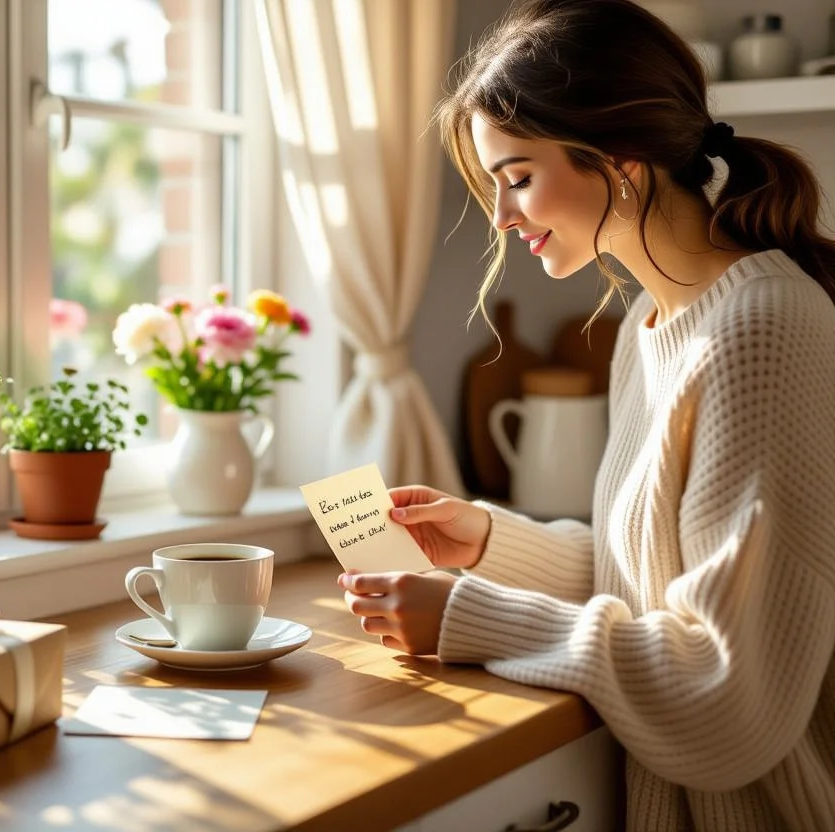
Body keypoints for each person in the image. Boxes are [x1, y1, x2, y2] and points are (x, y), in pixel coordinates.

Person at [337, 1, 835, 830]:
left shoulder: (761, 331)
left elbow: (727, 695)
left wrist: (466, 617)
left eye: (519, 177)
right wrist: (492, 543)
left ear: (621, 163)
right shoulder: (652, 325)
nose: (502, 217)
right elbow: (653, 582)